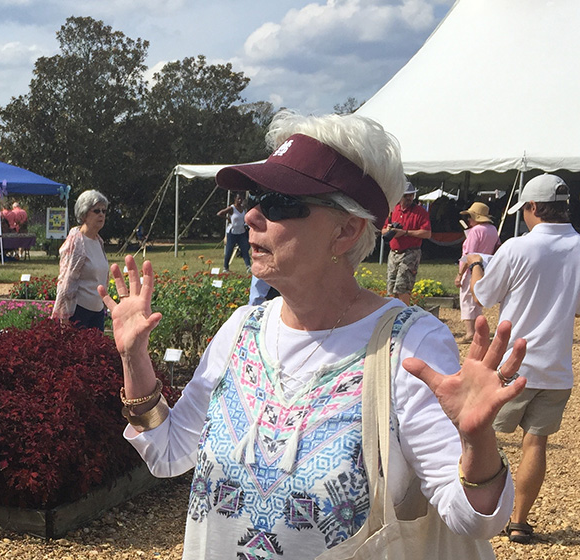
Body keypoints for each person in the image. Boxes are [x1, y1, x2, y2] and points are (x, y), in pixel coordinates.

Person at [101, 111, 522, 559]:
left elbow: (474, 519)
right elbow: (168, 452)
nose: (251, 214)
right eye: (254, 196)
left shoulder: (407, 345)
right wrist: (134, 360)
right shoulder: (242, 329)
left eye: (281, 202)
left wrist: (478, 442)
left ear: (346, 230)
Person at [467, 173, 580, 545]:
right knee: (536, 444)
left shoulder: (517, 247)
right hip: (557, 367)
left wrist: (475, 263)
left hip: (513, 364)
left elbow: (483, 295)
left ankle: (483, 513)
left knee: (485, 440)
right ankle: (519, 521)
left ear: (532, 207)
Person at [52, 190, 110, 331]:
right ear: (84, 214)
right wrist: (63, 316)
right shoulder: (75, 242)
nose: (101, 214)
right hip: (78, 312)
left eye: (104, 211)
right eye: (96, 211)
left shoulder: (98, 241)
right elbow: (66, 280)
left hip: (98, 311)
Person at [217, 193, 278, 305]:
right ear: (235, 199)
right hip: (232, 233)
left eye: (242, 198)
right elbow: (219, 213)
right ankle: (225, 267)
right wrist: (228, 219)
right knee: (229, 251)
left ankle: (248, 266)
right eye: (239, 198)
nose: (240, 200)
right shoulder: (232, 208)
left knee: (245, 250)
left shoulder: (243, 209)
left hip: (241, 233)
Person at [454, 202, 500, 343]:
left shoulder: (475, 231)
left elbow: (469, 255)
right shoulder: (492, 229)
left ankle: (470, 332)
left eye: (470, 216)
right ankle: (476, 330)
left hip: (471, 268)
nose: (468, 220)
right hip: (485, 267)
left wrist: (460, 274)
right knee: (477, 298)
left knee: (467, 299)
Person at [382, 181, 431, 304]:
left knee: (403, 287)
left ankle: (403, 314)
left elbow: (427, 233)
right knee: (391, 288)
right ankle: (392, 314)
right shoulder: (393, 210)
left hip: (410, 252)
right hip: (394, 253)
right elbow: (382, 230)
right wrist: (389, 230)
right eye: (406, 195)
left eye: (411, 195)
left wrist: (404, 232)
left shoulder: (420, 212)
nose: (409, 198)